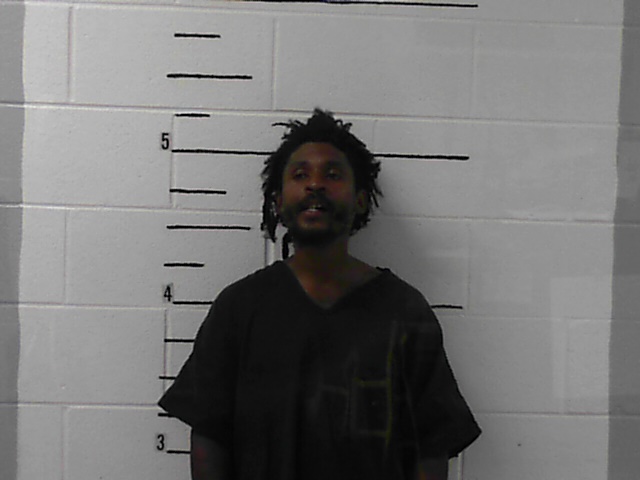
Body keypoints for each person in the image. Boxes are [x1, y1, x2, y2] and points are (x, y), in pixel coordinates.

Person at [158, 109, 481, 480]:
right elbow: (209, 435)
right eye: (300, 174)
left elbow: (432, 446)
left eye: (332, 174)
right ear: (278, 202)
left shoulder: (405, 311)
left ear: (361, 200)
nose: (315, 184)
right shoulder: (238, 307)